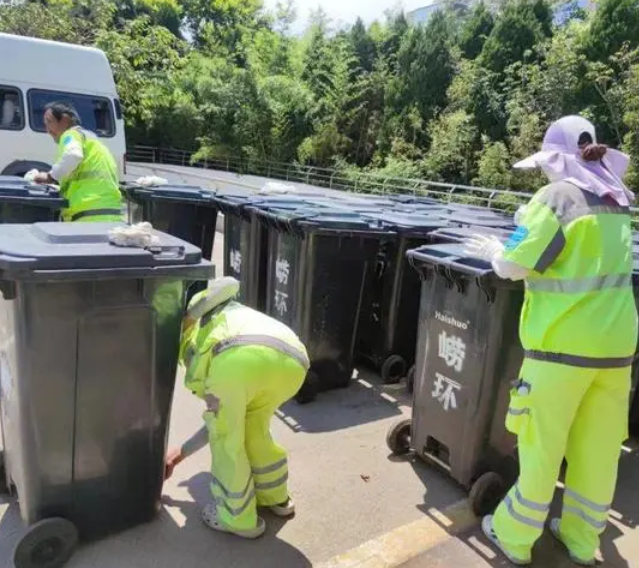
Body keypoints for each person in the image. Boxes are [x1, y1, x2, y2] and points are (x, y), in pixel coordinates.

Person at [464, 115, 638, 566]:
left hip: (563, 348)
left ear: (555, 158)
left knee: (542, 446)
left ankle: (514, 535)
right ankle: (582, 538)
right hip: (616, 350)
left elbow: (513, 266)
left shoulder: (558, 196)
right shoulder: (615, 199)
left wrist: (493, 250)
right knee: (598, 448)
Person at [165, 277, 308, 539]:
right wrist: (179, 454)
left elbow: (219, 428)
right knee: (254, 428)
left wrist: (187, 316)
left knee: (227, 440)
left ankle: (237, 518)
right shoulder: (229, 313)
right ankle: (275, 498)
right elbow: (230, 285)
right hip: (294, 361)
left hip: (237, 359)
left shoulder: (190, 332)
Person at [33, 101, 123, 222]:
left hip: (87, 214)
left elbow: (73, 155)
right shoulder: (94, 141)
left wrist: (50, 176)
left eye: (49, 122)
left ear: (64, 120)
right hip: (111, 214)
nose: (47, 130)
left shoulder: (71, 134)